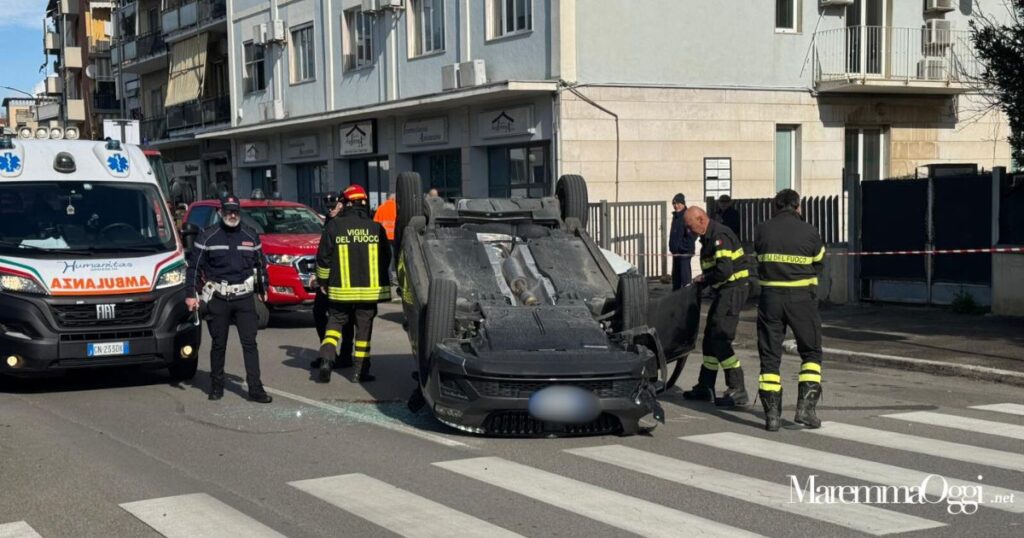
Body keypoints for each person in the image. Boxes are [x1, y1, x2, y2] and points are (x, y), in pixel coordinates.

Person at [185, 195, 272, 403]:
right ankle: (217, 386)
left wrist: (263, 287)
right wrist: (190, 294)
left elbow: (260, 265)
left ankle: (255, 389)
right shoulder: (208, 236)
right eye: (228, 211)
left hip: (244, 297)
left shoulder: (250, 235)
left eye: (235, 211)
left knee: (250, 343)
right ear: (220, 212)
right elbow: (194, 267)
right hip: (218, 297)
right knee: (218, 344)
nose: (232, 215)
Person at [754, 189, 825, 431]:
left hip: (770, 298)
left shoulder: (762, 230)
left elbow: (758, 260)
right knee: (811, 352)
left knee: (770, 357)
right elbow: (819, 262)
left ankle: (772, 417)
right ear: (798, 206)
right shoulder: (810, 231)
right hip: (802, 299)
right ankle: (805, 410)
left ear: (775, 206)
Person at [315, 185, 392, 383]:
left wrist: (323, 281)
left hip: (340, 290)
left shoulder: (334, 226)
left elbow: (323, 258)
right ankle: (360, 371)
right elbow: (386, 257)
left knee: (334, 323)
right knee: (363, 331)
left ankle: (326, 360)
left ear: (347, 203)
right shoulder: (376, 227)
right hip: (369, 291)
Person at [681, 206, 751, 407]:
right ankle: (706, 386)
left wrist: (704, 279)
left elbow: (724, 271)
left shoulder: (719, 236)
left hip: (733, 289)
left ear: (701, 219)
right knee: (710, 338)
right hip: (724, 291)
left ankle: (737, 388)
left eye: (690, 226)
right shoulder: (708, 238)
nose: (689, 231)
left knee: (720, 336)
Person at [311, 192, 354, 371]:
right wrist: (319, 276)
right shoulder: (329, 221)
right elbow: (323, 252)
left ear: (341, 205)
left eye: (333, 207)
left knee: (346, 318)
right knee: (319, 313)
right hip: (328, 278)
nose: (330, 210)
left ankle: (345, 355)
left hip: (344, 278)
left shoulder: (345, 222)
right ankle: (328, 354)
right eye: (327, 207)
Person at [668, 193, 695, 290]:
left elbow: (691, 236)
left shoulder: (687, 215)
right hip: (676, 253)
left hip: (684, 253)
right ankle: (676, 295)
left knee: (685, 278)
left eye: (678, 203)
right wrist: (673, 247)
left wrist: (681, 248)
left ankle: (687, 295)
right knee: (676, 277)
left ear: (683, 204)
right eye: (674, 204)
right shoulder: (675, 217)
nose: (676, 206)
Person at [373, 193, 398, 282]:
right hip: (396, 236)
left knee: (387, 257)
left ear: (387, 198)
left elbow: (375, 223)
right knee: (397, 256)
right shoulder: (397, 208)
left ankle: (389, 276)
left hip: (385, 236)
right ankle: (398, 277)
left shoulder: (381, 208)